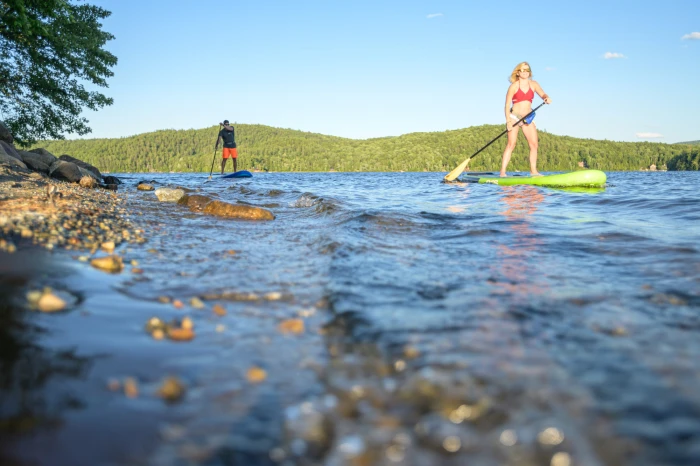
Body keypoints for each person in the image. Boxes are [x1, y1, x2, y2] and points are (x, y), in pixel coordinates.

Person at [501, 62, 551, 177]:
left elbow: (543, 94)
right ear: (518, 73)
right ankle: (503, 172)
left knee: (534, 145)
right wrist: (508, 121)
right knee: (511, 144)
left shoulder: (533, 84)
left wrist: (546, 98)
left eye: (527, 70)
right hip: (514, 118)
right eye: (523, 70)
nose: (525, 72)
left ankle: (533, 171)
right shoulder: (513, 86)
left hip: (527, 119)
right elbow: (507, 105)